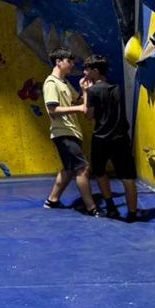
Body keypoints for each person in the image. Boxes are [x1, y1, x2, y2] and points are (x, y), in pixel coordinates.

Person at [41, 48, 102, 216]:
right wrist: (79, 108)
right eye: (69, 61)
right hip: (63, 132)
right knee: (83, 168)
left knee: (69, 170)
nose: (72, 64)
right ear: (58, 62)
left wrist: (85, 91)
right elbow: (52, 109)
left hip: (72, 131)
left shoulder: (65, 83)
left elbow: (79, 101)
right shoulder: (51, 83)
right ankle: (91, 208)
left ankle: (52, 200)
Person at [79, 56, 140, 221]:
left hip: (101, 138)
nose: (84, 73)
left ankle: (111, 206)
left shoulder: (92, 91)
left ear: (95, 71)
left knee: (100, 172)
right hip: (120, 137)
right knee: (127, 177)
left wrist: (85, 92)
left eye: (87, 69)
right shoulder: (116, 88)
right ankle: (132, 213)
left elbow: (88, 116)